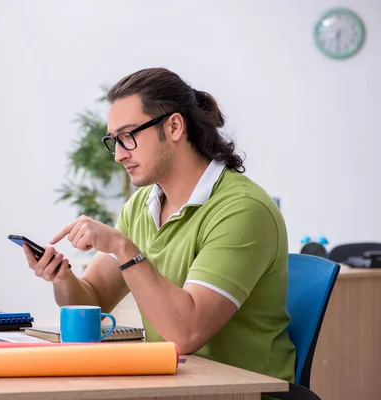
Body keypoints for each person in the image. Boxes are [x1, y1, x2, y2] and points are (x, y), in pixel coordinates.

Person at [22, 67, 296, 382]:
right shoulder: (141, 206)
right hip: (176, 385)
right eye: (114, 141)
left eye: (128, 137)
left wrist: (122, 246)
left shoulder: (243, 210)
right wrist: (62, 277)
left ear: (175, 126)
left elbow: (186, 335)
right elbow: (93, 300)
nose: (119, 156)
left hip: (241, 391)